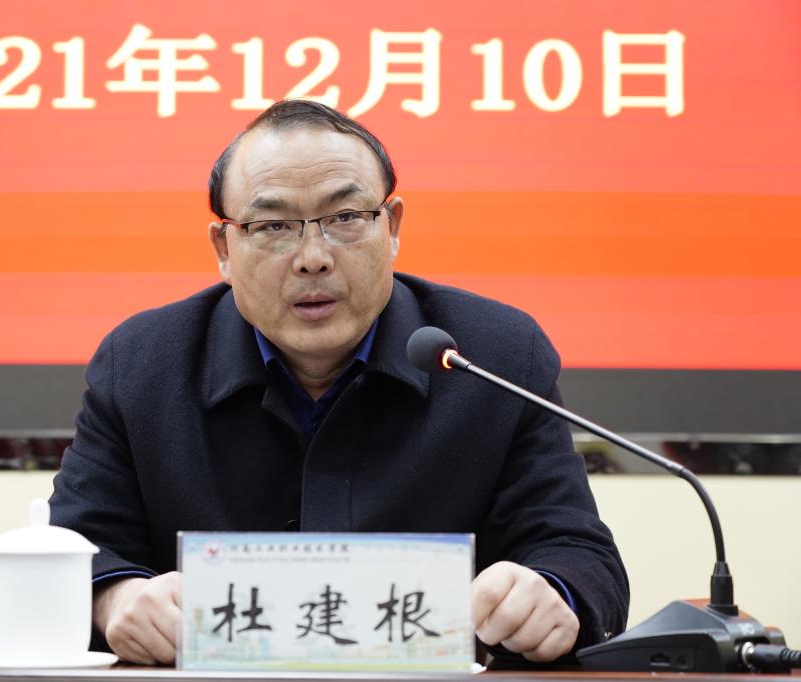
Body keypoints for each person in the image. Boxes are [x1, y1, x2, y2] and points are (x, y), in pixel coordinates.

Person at [49, 99, 629, 666]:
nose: (313, 258)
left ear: (392, 226)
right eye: (273, 225)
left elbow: (579, 554)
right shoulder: (142, 364)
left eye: (345, 218)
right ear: (224, 249)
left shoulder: (495, 355)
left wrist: (552, 592)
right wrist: (115, 597)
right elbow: (73, 551)